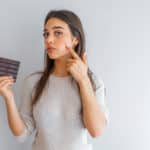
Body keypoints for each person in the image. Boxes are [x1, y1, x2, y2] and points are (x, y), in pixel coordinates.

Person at [0, 9, 109, 150]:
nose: (49, 40)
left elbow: (96, 131)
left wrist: (83, 81)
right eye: (46, 34)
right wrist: (8, 98)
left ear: (75, 39)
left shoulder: (94, 82)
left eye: (58, 33)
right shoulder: (33, 82)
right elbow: (21, 134)